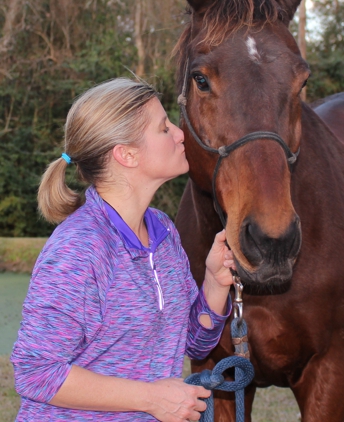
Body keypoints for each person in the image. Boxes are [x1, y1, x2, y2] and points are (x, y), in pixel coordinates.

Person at [10, 78, 235, 421]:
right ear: (126, 154)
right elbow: (36, 371)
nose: (180, 134)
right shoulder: (79, 249)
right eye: (164, 128)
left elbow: (192, 342)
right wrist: (151, 398)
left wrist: (216, 284)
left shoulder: (163, 231)